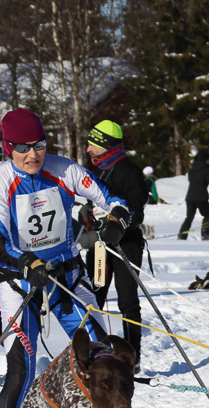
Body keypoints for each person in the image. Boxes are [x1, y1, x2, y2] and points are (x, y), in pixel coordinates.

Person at [0, 108, 132, 408]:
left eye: (39, 145)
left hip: (65, 277)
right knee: (22, 365)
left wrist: (116, 218)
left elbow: (113, 198)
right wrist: (25, 262)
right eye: (22, 148)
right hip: (21, 282)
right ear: (7, 148)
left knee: (103, 354)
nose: (32, 155)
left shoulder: (64, 170)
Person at [81, 120, 147, 371]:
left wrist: (116, 222)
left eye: (93, 145)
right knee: (94, 298)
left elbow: (138, 212)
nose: (88, 150)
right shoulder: (97, 171)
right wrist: (86, 212)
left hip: (126, 246)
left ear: (107, 146)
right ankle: (95, 353)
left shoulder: (129, 172)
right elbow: (91, 200)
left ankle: (132, 357)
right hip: (99, 248)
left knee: (127, 302)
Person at [177, 149, 209, 240]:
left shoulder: (192, 170)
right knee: (207, 215)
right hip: (201, 197)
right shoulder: (206, 169)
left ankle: (182, 235)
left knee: (189, 217)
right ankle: (205, 235)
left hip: (190, 197)